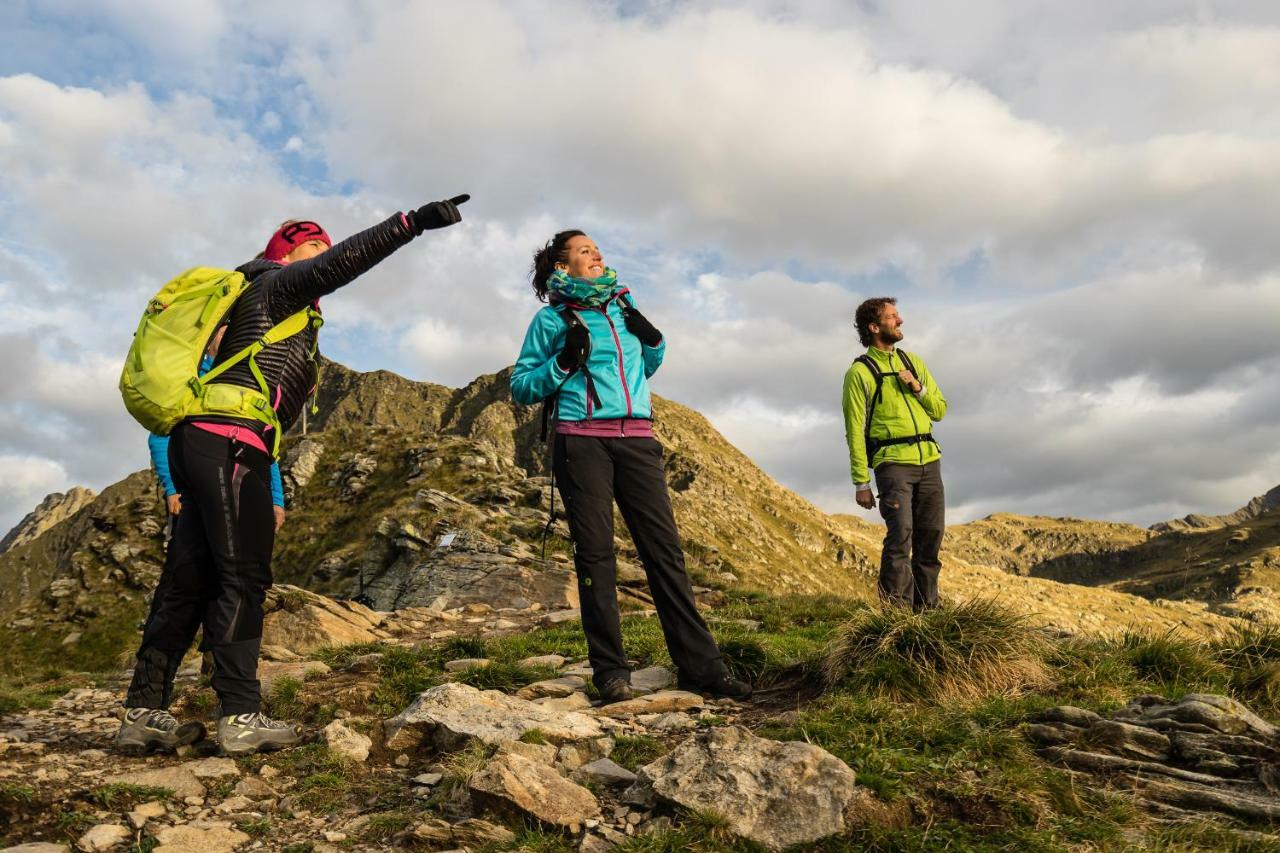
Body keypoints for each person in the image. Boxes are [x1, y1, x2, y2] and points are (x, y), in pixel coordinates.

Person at [117, 196, 467, 756]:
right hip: (229, 442)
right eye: (310, 248)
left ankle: (143, 710)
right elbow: (346, 260)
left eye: (321, 250)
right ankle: (239, 714)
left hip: (211, 441)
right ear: (284, 254)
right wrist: (412, 223)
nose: (321, 257)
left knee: (189, 579)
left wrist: (268, 484)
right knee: (242, 577)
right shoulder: (276, 285)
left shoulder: (264, 304)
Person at [510, 230, 751, 704]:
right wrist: (562, 362)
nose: (596, 253)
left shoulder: (623, 307)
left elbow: (643, 367)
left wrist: (654, 342)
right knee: (596, 558)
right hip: (581, 441)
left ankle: (703, 670)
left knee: (665, 554)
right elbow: (521, 386)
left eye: (596, 248)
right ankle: (611, 674)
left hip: (639, 439)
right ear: (563, 267)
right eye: (584, 250)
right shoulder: (551, 318)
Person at [842, 297, 948, 611]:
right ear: (874, 327)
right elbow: (854, 429)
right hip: (892, 464)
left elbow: (940, 410)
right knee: (900, 536)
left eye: (897, 315)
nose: (900, 321)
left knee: (931, 538)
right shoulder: (860, 373)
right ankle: (896, 617)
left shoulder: (914, 362)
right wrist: (861, 482)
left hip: (929, 460)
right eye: (892, 316)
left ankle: (928, 614)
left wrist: (918, 387)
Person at [148, 328, 287, 533]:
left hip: (243, 490)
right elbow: (159, 437)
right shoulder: (191, 382)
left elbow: (265, 446)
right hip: (194, 492)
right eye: (223, 333)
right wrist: (172, 488)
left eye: (234, 332)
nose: (229, 337)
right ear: (209, 340)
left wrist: (276, 500)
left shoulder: (251, 387)